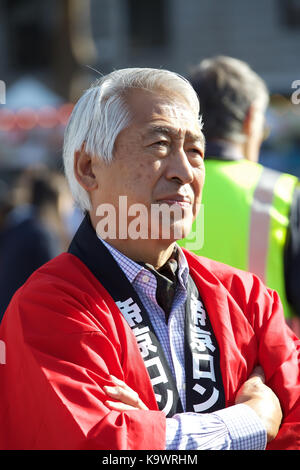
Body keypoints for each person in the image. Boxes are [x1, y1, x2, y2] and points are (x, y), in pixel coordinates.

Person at [0, 68, 299, 450]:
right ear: (88, 168)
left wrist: (155, 432)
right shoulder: (48, 308)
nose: (185, 171)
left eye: (195, 150)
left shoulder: (248, 298)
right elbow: (100, 444)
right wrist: (249, 423)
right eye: (159, 145)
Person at [179, 56, 300, 334]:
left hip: (179, 368)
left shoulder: (160, 191)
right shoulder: (284, 194)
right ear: (250, 120)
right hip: (267, 369)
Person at [0, 168, 72, 320]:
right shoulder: (43, 233)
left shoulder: (18, 226)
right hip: (22, 319)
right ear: (56, 200)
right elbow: (56, 284)